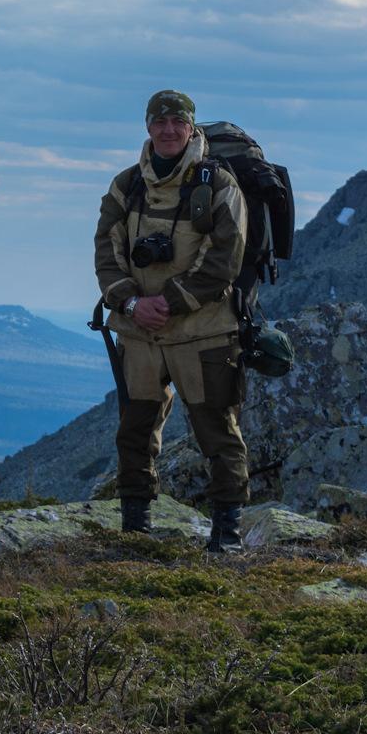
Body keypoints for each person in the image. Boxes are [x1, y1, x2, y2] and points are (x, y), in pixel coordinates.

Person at [93, 90, 251, 553]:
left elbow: (226, 258)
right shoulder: (126, 186)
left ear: (191, 127)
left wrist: (169, 302)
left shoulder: (218, 184)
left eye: (176, 122)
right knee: (135, 431)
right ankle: (136, 530)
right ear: (147, 126)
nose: (167, 130)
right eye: (159, 122)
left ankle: (227, 534)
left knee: (217, 431)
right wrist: (129, 303)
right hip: (139, 333)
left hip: (202, 335)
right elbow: (107, 251)